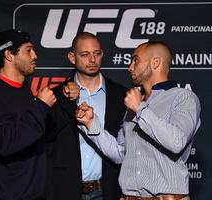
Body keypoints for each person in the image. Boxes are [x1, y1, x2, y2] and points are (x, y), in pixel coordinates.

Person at [76, 41, 201, 200]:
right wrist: (91, 125)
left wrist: (140, 109)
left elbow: (176, 142)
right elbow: (120, 153)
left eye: (135, 60)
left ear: (155, 63)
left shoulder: (183, 97)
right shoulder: (135, 105)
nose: (130, 67)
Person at [0, 29, 57, 200]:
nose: (35, 55)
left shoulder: (23, 89)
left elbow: (31, 132)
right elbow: (5, 143)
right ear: (9, 55)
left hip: (32, 194)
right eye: (28, 50)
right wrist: (40, 106)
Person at [46, 32, 128, 200]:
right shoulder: (56, 95)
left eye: (96, 54)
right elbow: (45, 138)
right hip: (66, 191)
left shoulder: (121, 95)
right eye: (85, 54)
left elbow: (126, 147)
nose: (92, 60)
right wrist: (64, 100)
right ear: (72, 57)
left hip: (107, 190)